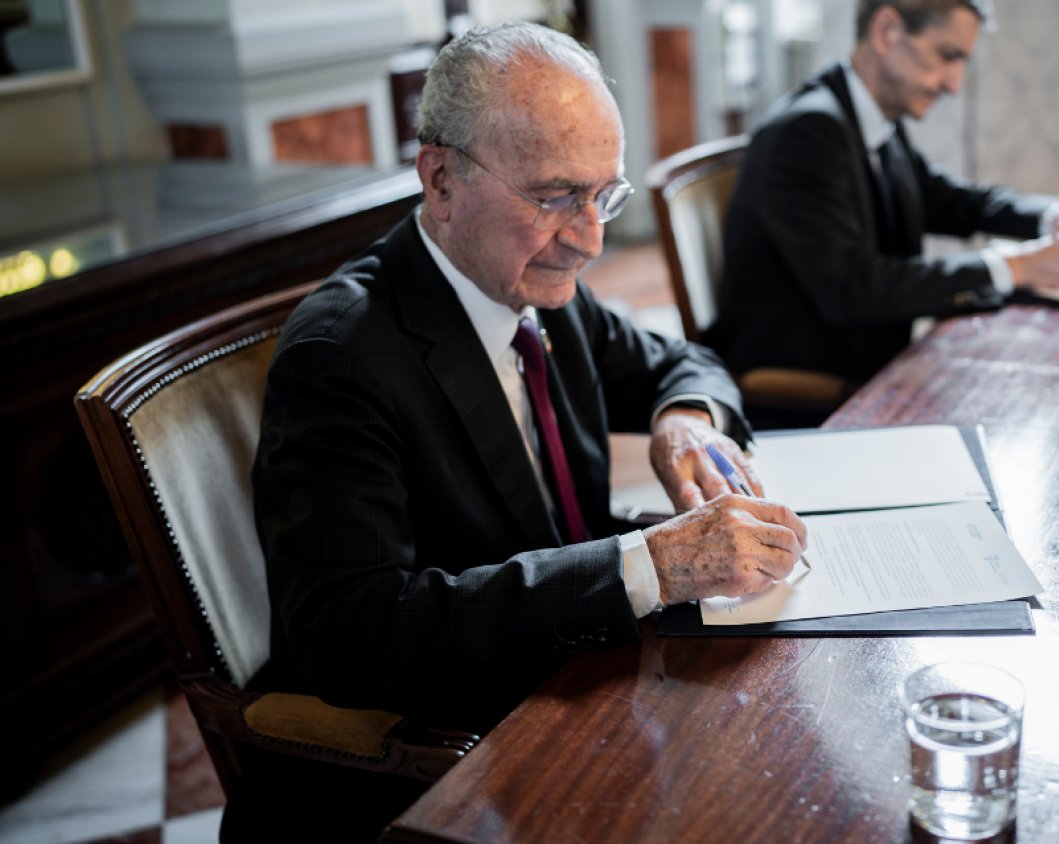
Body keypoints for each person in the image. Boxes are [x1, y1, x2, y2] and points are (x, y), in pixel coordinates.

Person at [237, 21, 807, 840]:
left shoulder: (534, 286)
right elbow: (350, 634)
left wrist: (685, 424)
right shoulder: (343, 355)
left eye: (604, 195)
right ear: (440, 179)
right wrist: (647, 565)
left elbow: (682, 363)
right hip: (430, 772)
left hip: (569, 680)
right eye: (553, 197)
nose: (590, 239)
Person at [709, 0, 1059, 408]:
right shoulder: (806, 132)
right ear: (888, 30)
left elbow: (951, 201)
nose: (954, 85)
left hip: (882, 365)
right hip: (817, 391)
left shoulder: (867, 117)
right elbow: (852, 288)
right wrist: (1015, 267)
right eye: (948, 56)